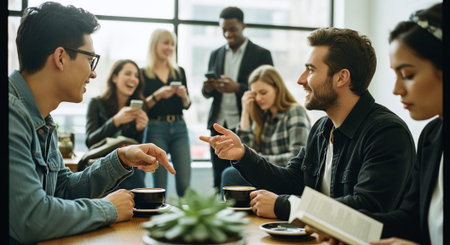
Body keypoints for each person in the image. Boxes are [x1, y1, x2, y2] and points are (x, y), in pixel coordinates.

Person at [200, 27, 416, 221]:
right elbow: (291, 181)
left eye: (311, 70)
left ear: (341, 78)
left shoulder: (386, 133)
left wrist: (284, 206)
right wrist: (242, 155)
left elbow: (366, 209)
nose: (301, 79)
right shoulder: (322, 127)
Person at [8, 2, 175, 244]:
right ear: (61, 57)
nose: (93, 73)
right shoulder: (12, 115)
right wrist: (107, 208)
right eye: (90, 60)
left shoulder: (43, 119)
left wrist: (120, 158)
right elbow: (31, 218)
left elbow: (62, 190)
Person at [202, 6, 273, 190]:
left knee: (243, 175)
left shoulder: (261, 54)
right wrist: (208, 88)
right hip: (218, 123)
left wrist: (238, 88)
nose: (227, 34)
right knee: (219, 178)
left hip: (245, 124)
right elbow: (207, 94)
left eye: (232, 29)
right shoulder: (215, 54)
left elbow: (269, 89)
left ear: (243, 26)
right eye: (224, 29)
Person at [221, 64, 311, 189]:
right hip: (266, 174)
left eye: (263, 93)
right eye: (255, 94)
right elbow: (246, 149)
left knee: (230, 174)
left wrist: (257, 158)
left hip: (286, 176)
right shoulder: (264, 116)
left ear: (277, 89)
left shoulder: (294, 112)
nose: (258, 98)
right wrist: (245, 112)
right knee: (232, 173)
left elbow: (297, 156)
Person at [141, 29, 191, 197]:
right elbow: (142, 106)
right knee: (160, 184)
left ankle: (185, 221)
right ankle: (160, 220)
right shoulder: (143, 73)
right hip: (156, 127)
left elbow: (187, 105)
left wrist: (184, 96)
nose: (169, 48)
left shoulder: (179, 71)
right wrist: (159, 94)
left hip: (179, 127)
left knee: (184, 183)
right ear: (155, 44)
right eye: (165, 43)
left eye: (172, 44)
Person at [85, 59, 149, 190]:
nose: (133, 79)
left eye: (136, 76)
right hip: (101, 163)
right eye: (128, 73)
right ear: (114, 78)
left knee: (135, 179)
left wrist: (141, 130)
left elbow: (140, 148)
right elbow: (90, 141)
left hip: (128, 166)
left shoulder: (140, 108)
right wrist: (115, 121)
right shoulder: (96, 103)